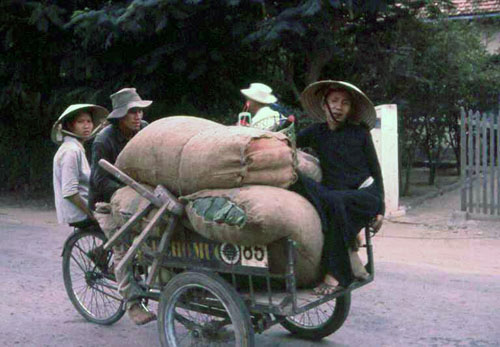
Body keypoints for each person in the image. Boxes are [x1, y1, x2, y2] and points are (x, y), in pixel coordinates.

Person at [295, 80, 384, 295]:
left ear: (350, 109)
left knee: (336, 203)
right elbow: (291, 142)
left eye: (345, 103)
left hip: (363, 195)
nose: (339, 106)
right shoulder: (317, 132)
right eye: (334, 101)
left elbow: (376, 171)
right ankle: (350, 247)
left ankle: (336, 274)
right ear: (324, 104)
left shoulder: (360, 133)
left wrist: (381, 209)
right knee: (296, 180)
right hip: (334, 196)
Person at [88, 87, 155, 325]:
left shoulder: (145, 130)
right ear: (119, 117)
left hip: (140, 196)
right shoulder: (103, 141)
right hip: (105, 201)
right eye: (132, 112)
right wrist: (126, 194)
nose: (138, 116)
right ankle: (133, 303)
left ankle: (101, 251)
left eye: (139, 111)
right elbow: (99, 180)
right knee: (122, 246)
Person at [52, 104, 108, 229]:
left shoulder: (76, 148)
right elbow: (70, 192)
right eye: (80, 122)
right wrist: (91, 213)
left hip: (86, 207)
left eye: (89, 121)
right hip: (80, 213)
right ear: (71, 126)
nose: (86, 125)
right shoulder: (70, 151)